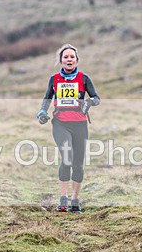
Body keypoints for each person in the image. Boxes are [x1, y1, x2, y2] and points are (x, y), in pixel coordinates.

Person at [37, 44, 101, 213]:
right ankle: (63, 199)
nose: (69, 59)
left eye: (72, 56)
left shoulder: (84, 78)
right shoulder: (54, 79)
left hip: (80, 124)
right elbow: (47, 98)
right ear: (61, 61)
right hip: (60, 123)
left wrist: (88, 102)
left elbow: (96, 98)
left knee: (78, 164)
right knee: (67, 157)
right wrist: (42, 111)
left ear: (77, 60)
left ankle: (75, 200)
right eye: (66, 57)